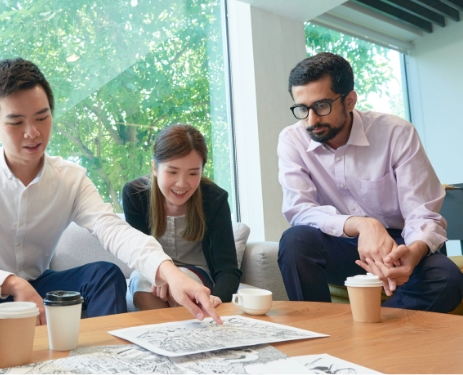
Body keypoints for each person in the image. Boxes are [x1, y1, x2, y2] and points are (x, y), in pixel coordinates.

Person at [0, 58, 222, 344]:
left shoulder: (70, 178)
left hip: (41, 285)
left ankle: (106, 362)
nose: (33, 133)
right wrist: (10, 282)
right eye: (16, 122)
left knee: (105, 274)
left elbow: (113, 230)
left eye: (42, 117)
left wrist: (172, 275)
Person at [277, 51, 463, 313]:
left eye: (321, 106)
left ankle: (371, 339)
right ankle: (317, 332)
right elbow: (299, 209)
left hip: (401, 242)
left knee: (446, 277)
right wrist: (363, 225)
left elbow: (422, 213)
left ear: (350, 100)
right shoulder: (292, 140)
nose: (311, 120)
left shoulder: (396, 133)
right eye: (302, 109)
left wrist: (413, 252)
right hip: (343, 242)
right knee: (295, 241)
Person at [122, 124, 241, 310]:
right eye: (172, 172)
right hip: (154, 270)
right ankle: (166, 337)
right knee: (142, 279)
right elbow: (139, 253)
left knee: (180, 288)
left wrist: (219, 299)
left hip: (198, 274)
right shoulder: (135, 195)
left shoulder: (214, 199)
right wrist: (165, 274)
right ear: (155, 168)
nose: (182, 184)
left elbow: (228, 269)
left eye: (193, 173)